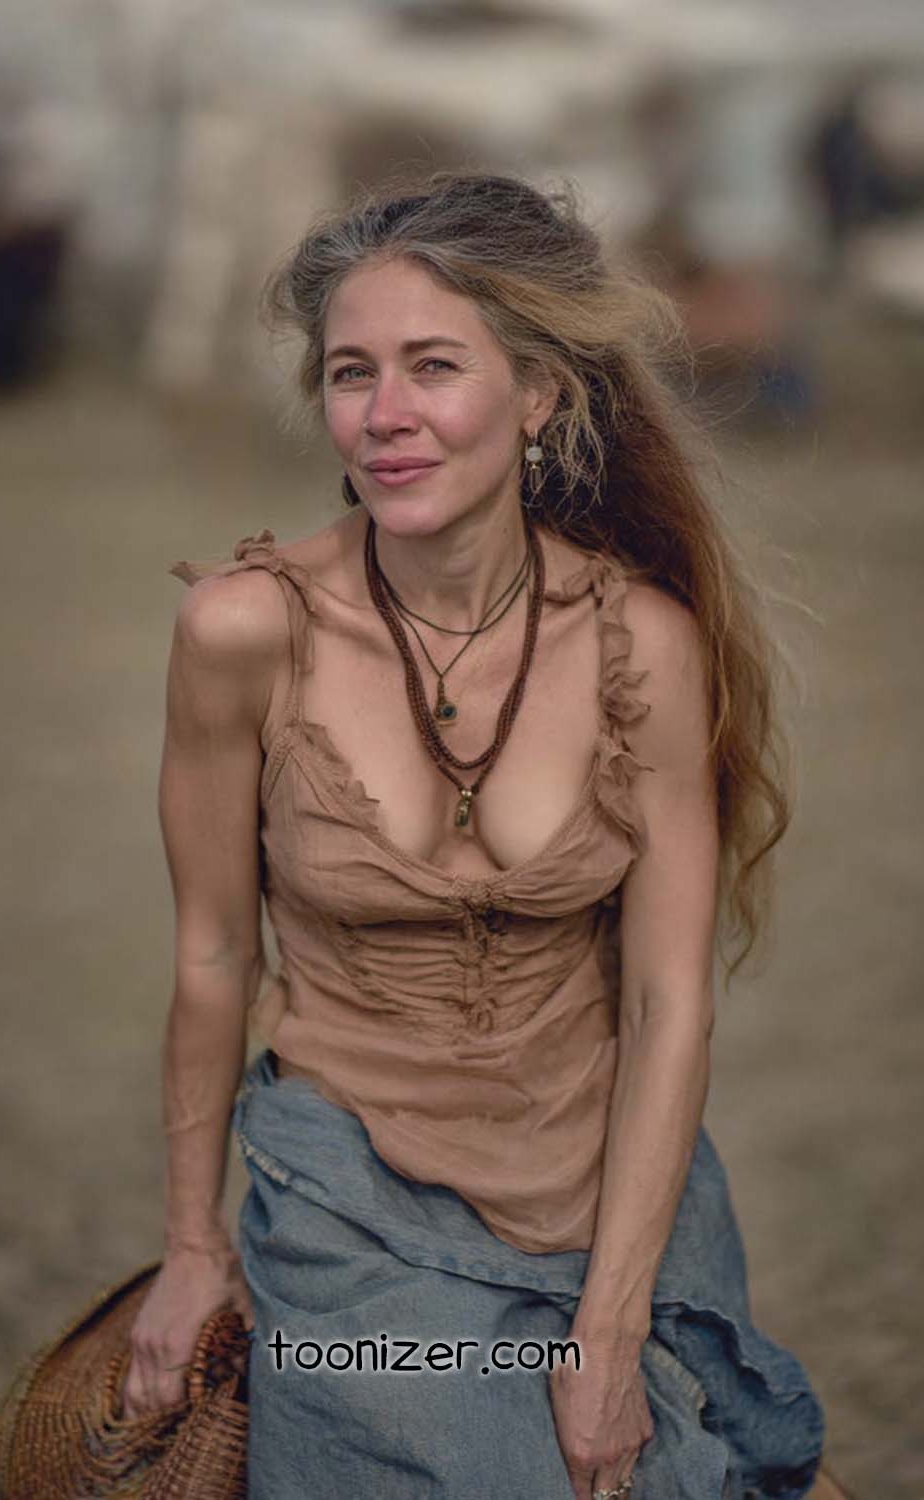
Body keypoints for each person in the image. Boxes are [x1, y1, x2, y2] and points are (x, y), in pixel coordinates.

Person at [122, 171, 847, 1499]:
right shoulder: (242, 633)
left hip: (608, 1192)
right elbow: (217, 950)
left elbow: (667, 997)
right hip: (350, 1198)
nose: (384, 415)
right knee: (474, 1456)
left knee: (638, 1462)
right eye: (351, 373)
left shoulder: (644, 649)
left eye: (433, 367)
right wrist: (191, 1247)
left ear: (539, 395)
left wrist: (611, 1332)